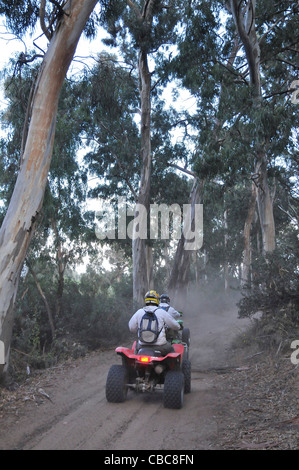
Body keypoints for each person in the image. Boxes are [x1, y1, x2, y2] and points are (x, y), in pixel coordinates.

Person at [128, 290, 181, 356]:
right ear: (157, 300)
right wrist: (178, 327)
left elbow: (131, 328)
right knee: (171, 350)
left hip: (142, 345)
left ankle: (134, 364)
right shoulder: (161, 312)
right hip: (160, 346)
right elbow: (175, 326)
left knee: (135, 352)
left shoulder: (139, 312)